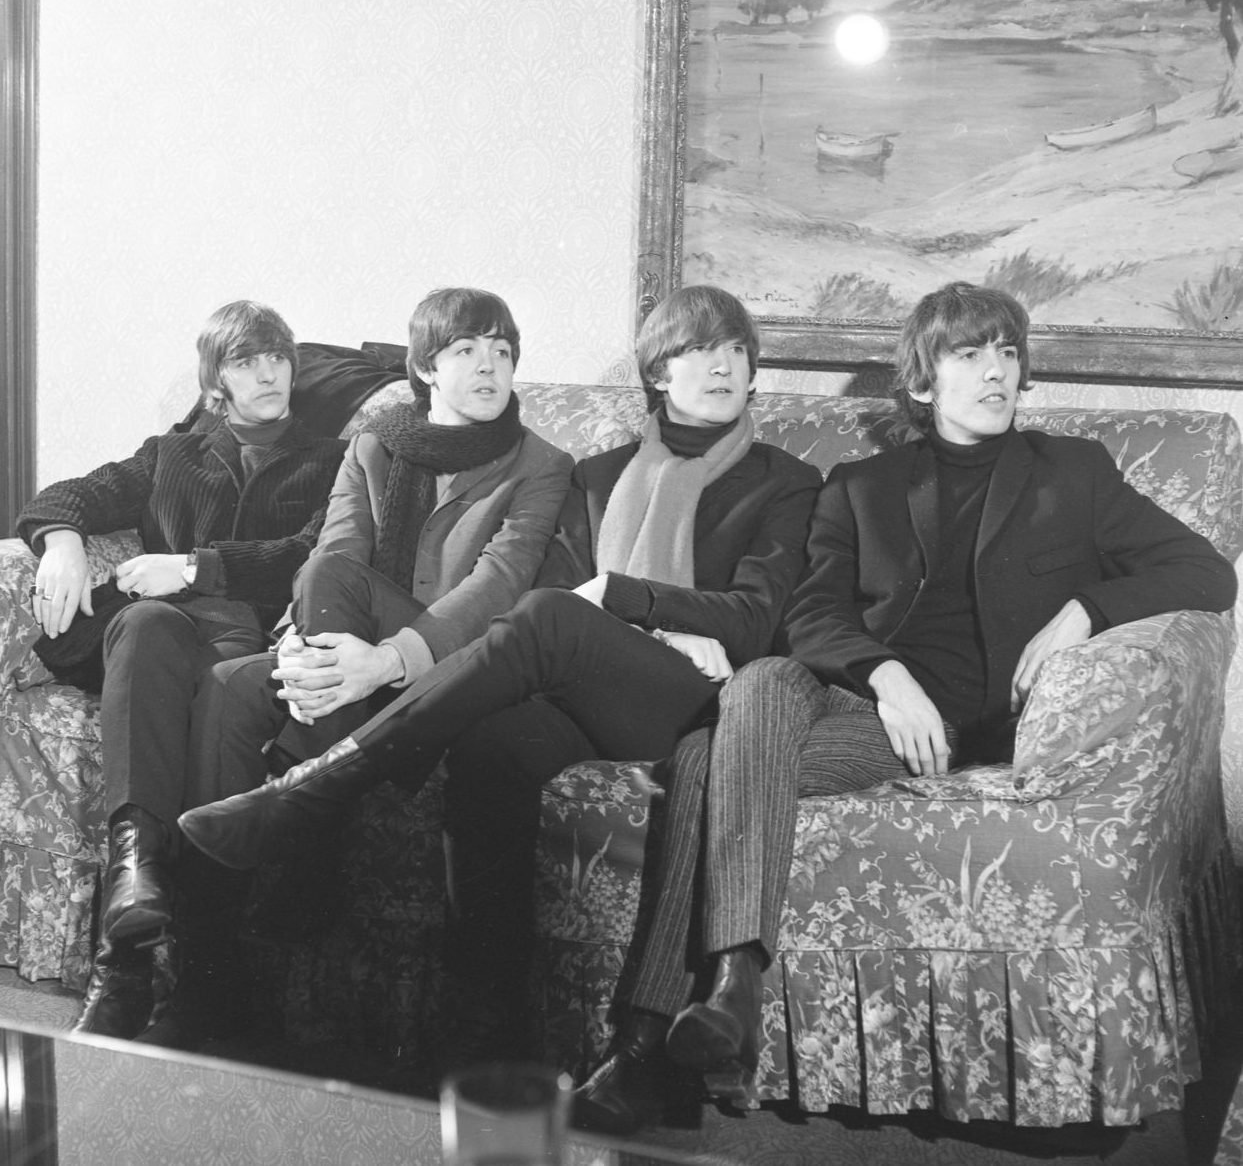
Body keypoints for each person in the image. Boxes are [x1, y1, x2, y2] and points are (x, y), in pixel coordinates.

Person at [567, 280, 1240, 1135]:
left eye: (1006, 354)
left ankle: (647, 1046)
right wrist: (885, 676)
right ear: (922, 384)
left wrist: (1085, 611)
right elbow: (809, 612)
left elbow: (1205, 572)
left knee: (704, 761)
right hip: (851, 697)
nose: (996, 373)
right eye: (969, 355)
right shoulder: (862, 483)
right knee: (761, 680)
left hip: (946, 732)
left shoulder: (1072, 474)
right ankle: (733, 987)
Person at [175, 286, 822, 1050]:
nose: (720, 366)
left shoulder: (788, 481)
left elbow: (751, 616)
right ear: (656, 373)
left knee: (548, 614)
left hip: (691, 696)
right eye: (696, 350)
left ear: (753, 372)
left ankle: (315, 787)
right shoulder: (602, 472)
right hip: (583, 679)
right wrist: (631, 615)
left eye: (736, 351)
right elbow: (554, 596)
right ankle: (488, 1018)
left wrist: (632, 601)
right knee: (491, 747)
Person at [148, 286, 573, 1048]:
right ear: (424, 369)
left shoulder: (541, 466)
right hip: (348, 650)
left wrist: (386, 660)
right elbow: (332, 552)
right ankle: (205, 972)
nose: (490, 367)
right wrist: (294, 645)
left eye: (503, 352)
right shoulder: (375, 445)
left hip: (457, 667)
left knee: (332, 584)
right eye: (467, 350)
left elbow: (496, 587)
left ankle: (308, 825)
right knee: (230, 685)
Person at [15, 300, 349, 1040]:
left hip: (250, 646)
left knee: (198, 666)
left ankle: (125, 968)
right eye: (245, 360)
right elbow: (66, 496)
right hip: (159, 641)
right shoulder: (172, 454)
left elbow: (312, 552)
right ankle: (135, 882)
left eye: (276, 357)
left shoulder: (332, 460)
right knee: (146, 622)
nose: (268, 372)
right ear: (214, 385)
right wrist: (64, 541)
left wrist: (195, 565)